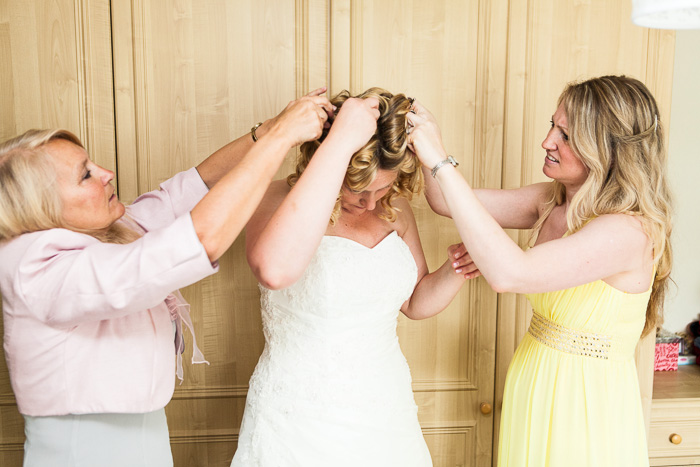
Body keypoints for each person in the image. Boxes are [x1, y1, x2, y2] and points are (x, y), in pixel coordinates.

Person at [0, 88, 334, 467]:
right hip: (84, 453)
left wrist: (268, 130)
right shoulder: (40, 269)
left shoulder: (106, 233)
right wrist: (281, 139)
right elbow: (199, 240)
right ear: (42, 207)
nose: (107, 173)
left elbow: (190, 190)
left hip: (144, 442)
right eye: (86, 175)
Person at [406, 75, 673, 466]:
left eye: (566, 136)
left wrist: (441, 161)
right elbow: (444, 201)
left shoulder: (628, 230)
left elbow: (509, 273)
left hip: (584, 404)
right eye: (553, 125)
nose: (548, 141)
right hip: (534, 378)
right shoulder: (552, 201)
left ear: (608, 150)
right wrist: (425, 139)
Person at [231, 88, 470, 467]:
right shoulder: (275, 200)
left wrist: (458, 268)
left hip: (386, 408)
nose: (371, 202)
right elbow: (272, 268)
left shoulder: (396, 211)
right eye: (358, 189)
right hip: (300, 414)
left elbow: (413, 301)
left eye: (384, 187)